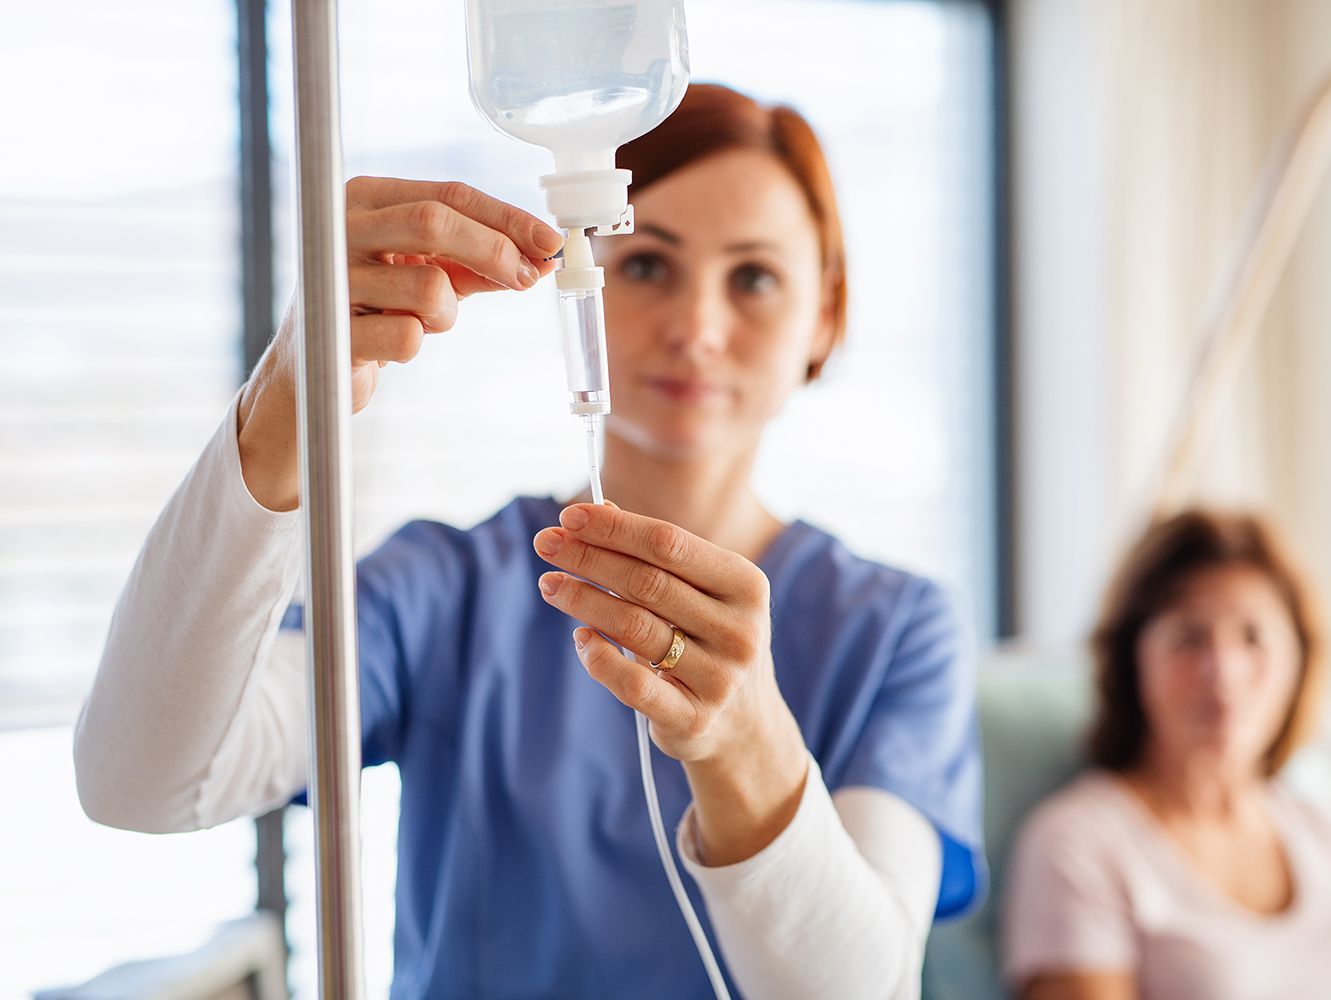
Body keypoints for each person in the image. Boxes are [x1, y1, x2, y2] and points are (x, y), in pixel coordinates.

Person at [73, 83, 984, 998]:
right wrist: (286, 399)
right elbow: (141, 780)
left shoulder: (893, 633)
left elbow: (868, 986)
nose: (696, 330)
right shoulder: (448, 590)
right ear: (580, 274)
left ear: (824, 314)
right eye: (647, 265)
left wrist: (746, 742)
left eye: (753, 278)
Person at [1002, 510, 1331, 1000]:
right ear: (1133, 660)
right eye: (1188, 639)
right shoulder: (1080, 845)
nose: (1223, 672)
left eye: (1253, 637)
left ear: (1298, 662)